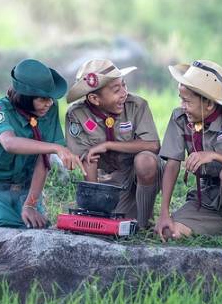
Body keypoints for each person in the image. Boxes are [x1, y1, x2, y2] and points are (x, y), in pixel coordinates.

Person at [154, 60, 222, 240]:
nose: (182, 105)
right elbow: (173, 163)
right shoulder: (179, 118)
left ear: (208, 103)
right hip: (208, 198)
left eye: (187, 101)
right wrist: (164, 213)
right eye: (181, 99)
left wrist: (213, 155)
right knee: (169, 233)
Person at [0, 58, 83, 229]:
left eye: (50, 98)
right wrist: (56, 147)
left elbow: (43, 162)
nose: (49, 103)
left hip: (26, 193)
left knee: (38, 230)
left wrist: (30, 205)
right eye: (42, 99)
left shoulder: (48, 109)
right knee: (2, 227)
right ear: (26, 97)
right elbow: (10, 143)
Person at [64, 58, 161, 228]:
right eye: (117, 90)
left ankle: (145, 223)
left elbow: (153, 145)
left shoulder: (136, 105)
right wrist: (93, 207)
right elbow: (87, 159)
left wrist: (109, 145)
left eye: (124, 85)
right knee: (107, 220)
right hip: (108, 183)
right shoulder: (77, 114)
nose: (124, 93)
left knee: (145, 160)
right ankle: (106, 211)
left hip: (135, 175)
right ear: (94, 98)